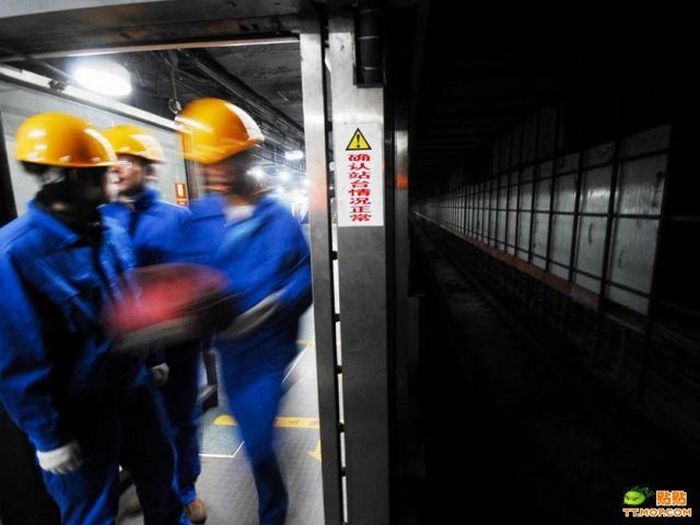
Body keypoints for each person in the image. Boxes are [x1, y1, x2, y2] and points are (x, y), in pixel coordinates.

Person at [0, 112, 186, 525]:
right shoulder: (15, 254)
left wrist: (153, 355)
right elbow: (17, 358)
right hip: (78, 415)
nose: (113, 176)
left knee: (162, 483)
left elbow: (132, 299)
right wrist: (50, 437)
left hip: (135, 392)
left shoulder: (108, 230)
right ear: (75, 179)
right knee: (92, 513)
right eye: (102, 172)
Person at [176, 97, 312, 525]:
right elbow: (186, 274)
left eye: (223, 161)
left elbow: (305, 275)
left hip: (269, 351)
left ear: (245, 157)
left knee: (256, 441)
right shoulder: (199, 218)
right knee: (248, 431)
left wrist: (278, 302)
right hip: (229, 352)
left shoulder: (279, 219)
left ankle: (273, 513)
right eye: (207, 165)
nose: (215, 173)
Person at [101, 124, 207, 523]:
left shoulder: (176, 219)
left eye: (127, 159)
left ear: (147, 168)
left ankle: (186, 489)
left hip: (175, 341)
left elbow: (195, 278)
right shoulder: (101, 220)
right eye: (113, 159)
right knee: (139, 428)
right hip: (129, 348)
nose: (117, 166)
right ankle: (157, 488)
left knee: (181, 420)